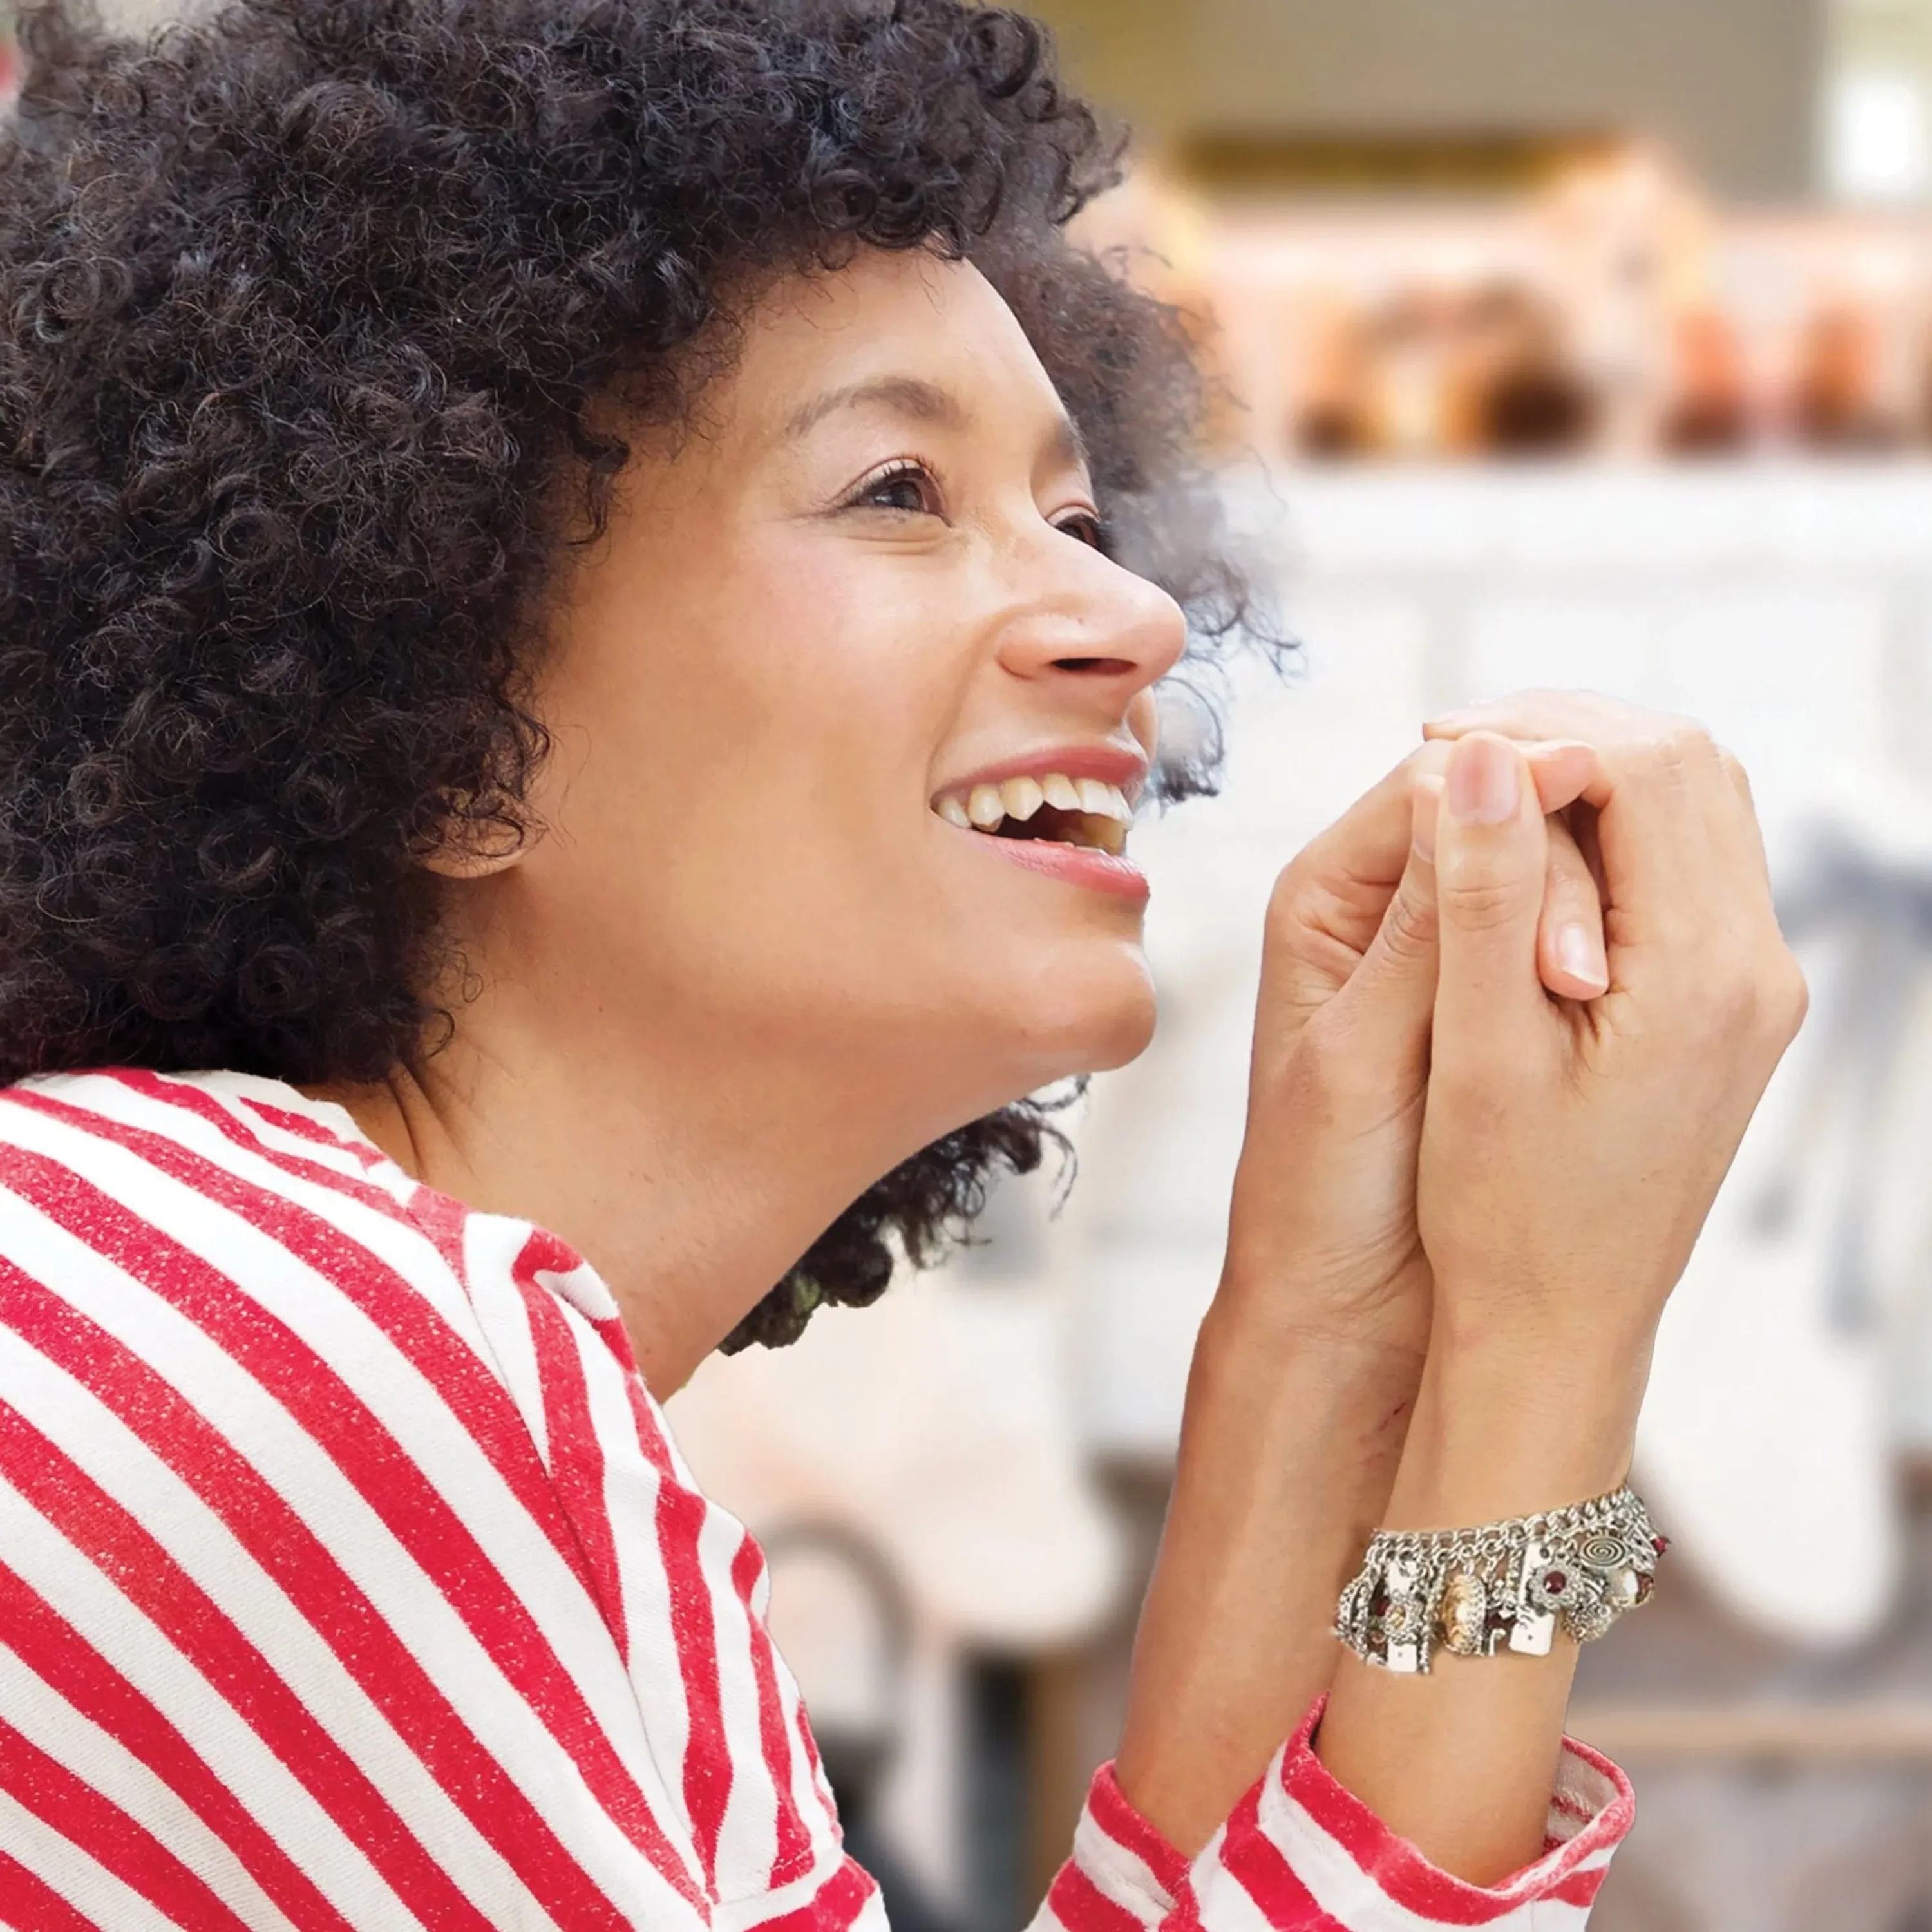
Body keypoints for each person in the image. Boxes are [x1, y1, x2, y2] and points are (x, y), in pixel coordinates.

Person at [0, 3, 1804, 1928]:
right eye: (896, 493)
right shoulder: (276, 1351)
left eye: (1084, 516)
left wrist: (1333, 1316)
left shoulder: (414, 1393)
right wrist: (1546, 1347)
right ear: (440, 720)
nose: (1131, 614)